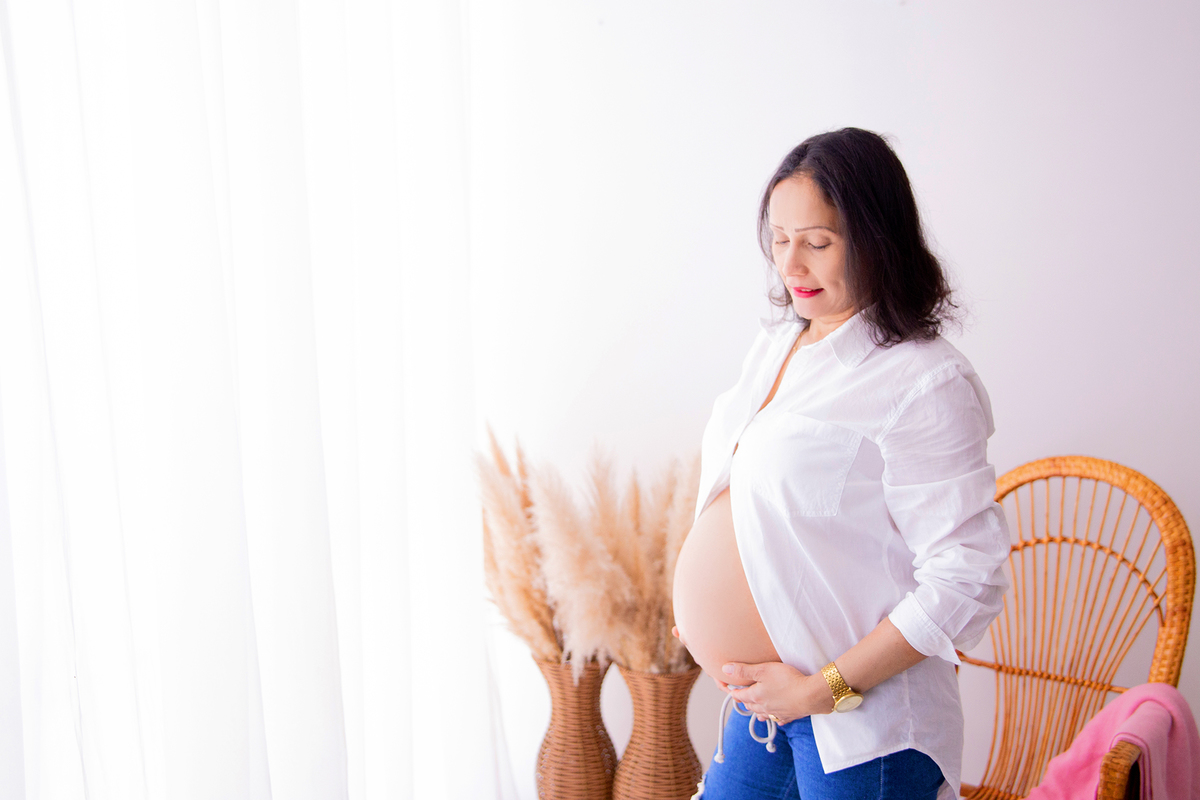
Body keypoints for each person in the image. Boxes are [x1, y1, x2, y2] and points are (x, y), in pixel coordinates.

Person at [670, 128, 1011, 800]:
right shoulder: (778, 345)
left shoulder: (923, 381)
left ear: (876, 240)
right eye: (778, 239)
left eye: (818, 242)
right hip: (764, 707)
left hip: (863, 726)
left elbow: (967, 575)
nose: (791, 264)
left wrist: (821, 689)